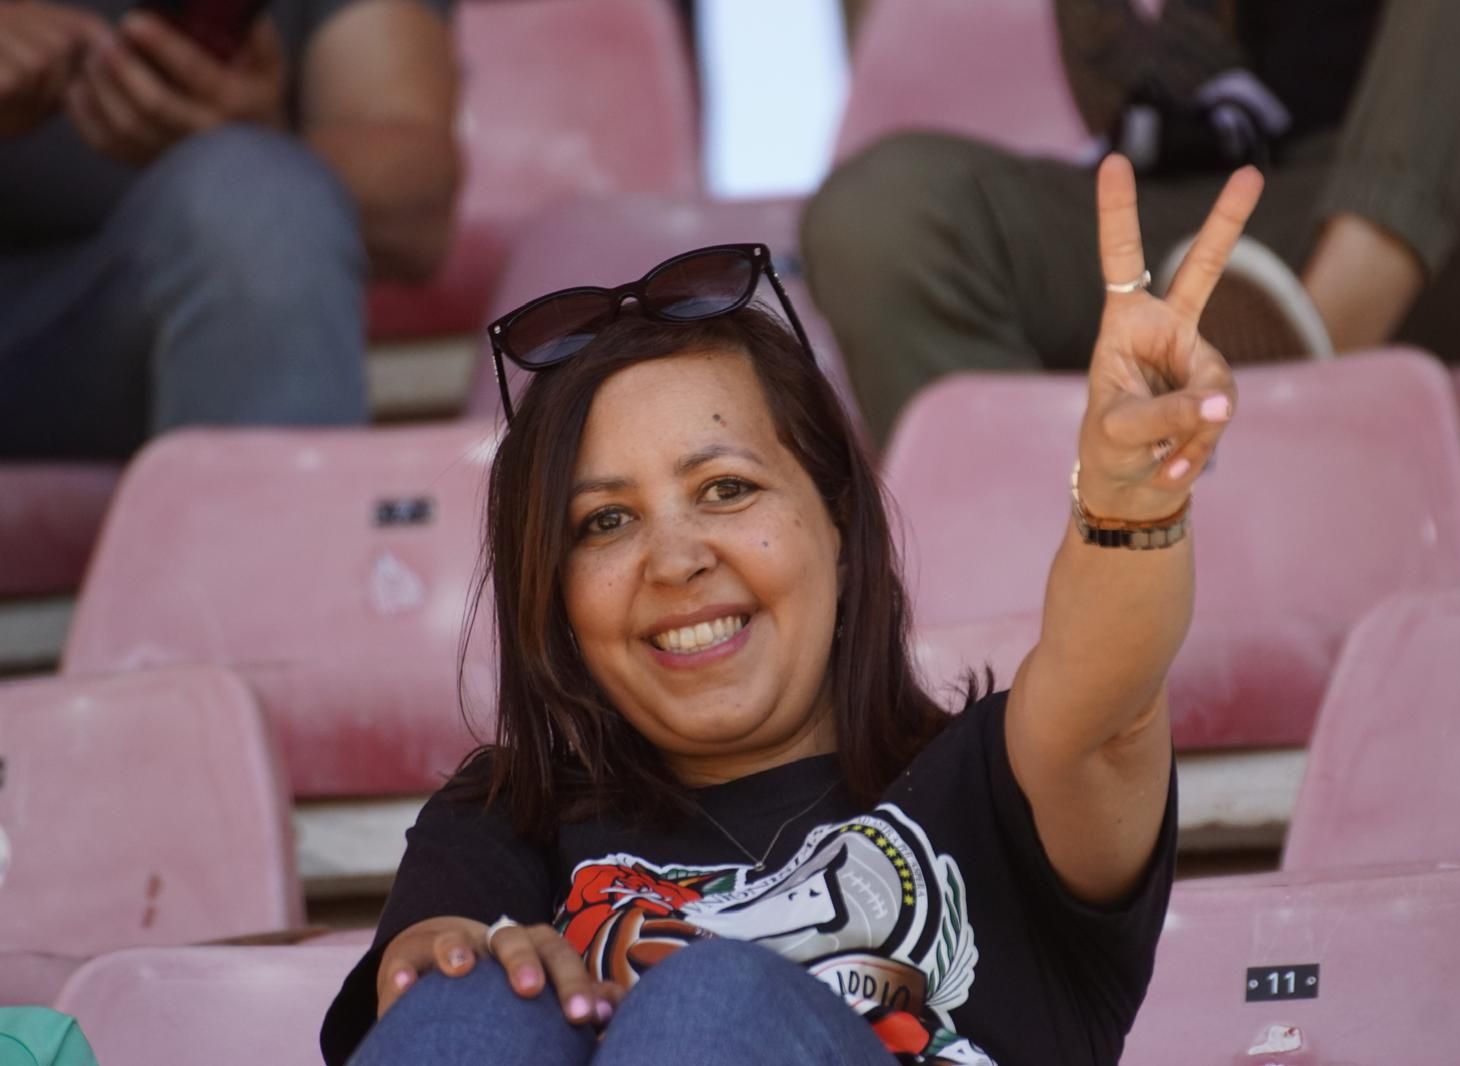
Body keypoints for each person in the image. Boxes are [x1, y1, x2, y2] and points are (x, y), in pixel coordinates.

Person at [319, 158, 1258, 1065]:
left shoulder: (994, 785)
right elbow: (425, 995)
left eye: (725, 490)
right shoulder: (503, 820)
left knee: (712, 1001)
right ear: (557, 599)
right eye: (605, 521)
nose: (677, 559)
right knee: (472, 998)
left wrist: (1128, 507)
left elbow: (1108, 691)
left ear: (840, 528)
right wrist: (440, 968)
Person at [802, 0, 1460, 445]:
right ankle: (1057, 604)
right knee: (887, 222)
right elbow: (1153, 113)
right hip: (1262, 230)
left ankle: (1306, 376)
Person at [0, 0, 460, 459]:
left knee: (261, 199)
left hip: (158, 349)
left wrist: (256, 138)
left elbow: (416, 210)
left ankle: (261, 523)